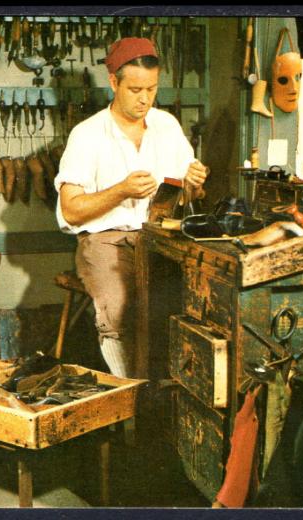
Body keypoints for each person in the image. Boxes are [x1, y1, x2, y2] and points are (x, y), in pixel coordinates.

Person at [54, 37, 208, 379]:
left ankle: (172, 395)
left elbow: (191, 196)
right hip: (106, 239)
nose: (145, 99)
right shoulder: (88, 135)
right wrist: (120, 190)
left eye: (152, 89)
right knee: (120, 310)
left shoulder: (166, 125)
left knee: (189, 306)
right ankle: (133, 401)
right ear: (114, 83)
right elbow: (72, 211)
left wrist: (195, 183)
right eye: (136, 89)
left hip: (159, 237)